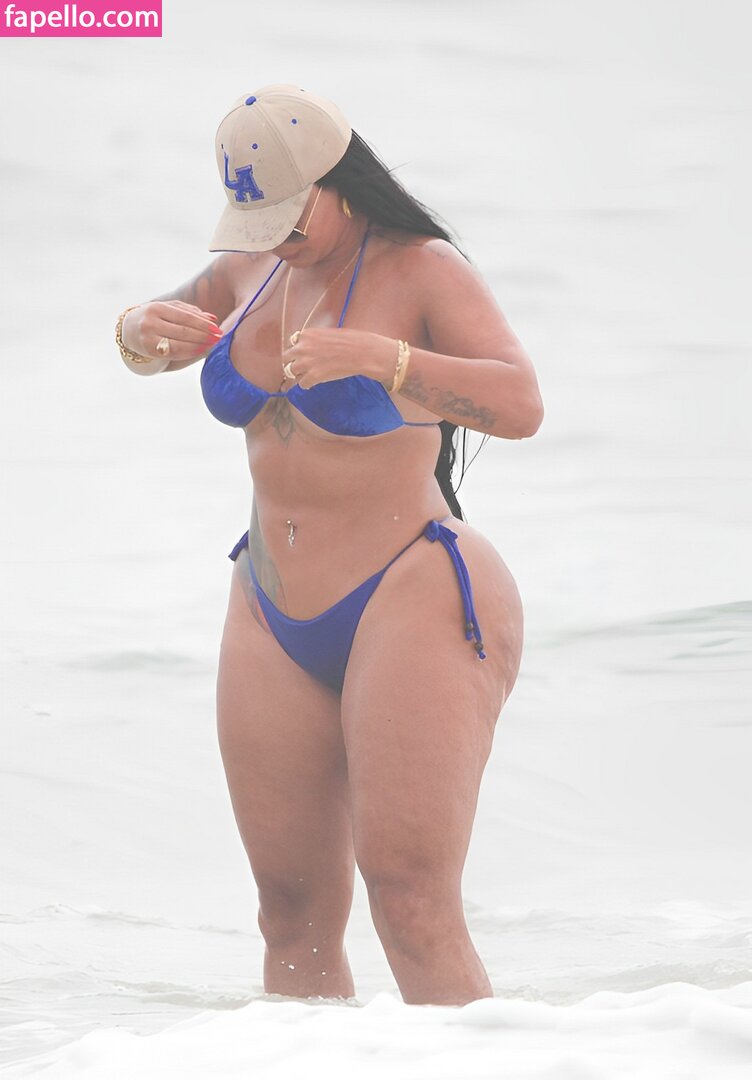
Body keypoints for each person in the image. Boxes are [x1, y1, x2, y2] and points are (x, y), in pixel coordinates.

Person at [115, 84, 543, 1007]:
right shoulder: (248, 270)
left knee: (412, 904)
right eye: (257, 222)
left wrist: (385, 361)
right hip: (270, 604)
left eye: (288, 217)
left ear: (338, 182)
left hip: (411, 585)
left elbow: (521, 404)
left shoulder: (422, 268)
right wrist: (138, 332)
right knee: (291, 913)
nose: (274, 239)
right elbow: (152, 328)